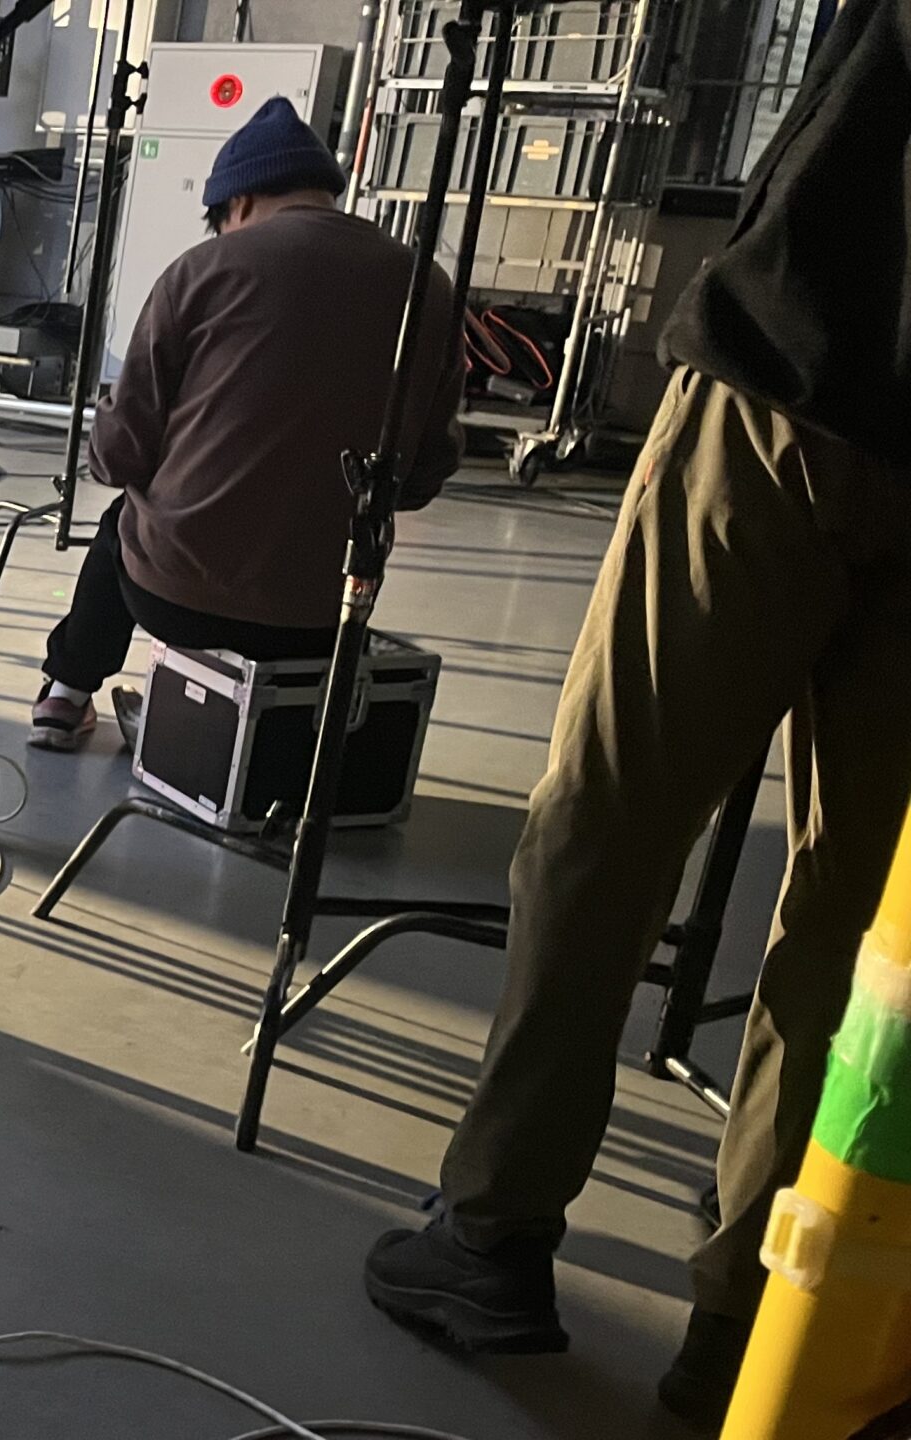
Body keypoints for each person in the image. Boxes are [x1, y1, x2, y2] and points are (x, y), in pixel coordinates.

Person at [360, 0, 911, 1427]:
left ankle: (492, 1232)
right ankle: (761, 1317)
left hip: (795, 371)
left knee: (605, 826)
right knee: (862, 921)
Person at [29, 96, 464, 752]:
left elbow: (118, 456)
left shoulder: (202, 271)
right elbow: (425, 472)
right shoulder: (429, 285)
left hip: (175, 599)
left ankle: (64, 696)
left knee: (124, 523)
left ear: (238, 203)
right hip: (327, 613)